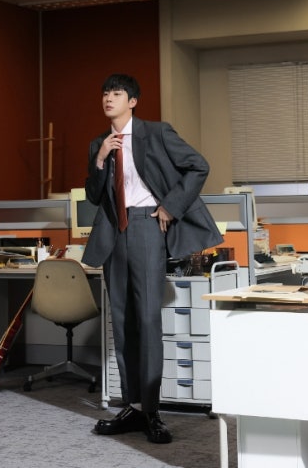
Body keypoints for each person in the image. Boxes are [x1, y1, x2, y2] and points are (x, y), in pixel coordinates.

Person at [82, 73, 223, 444]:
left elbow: (199, 165)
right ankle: (132, 405)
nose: (108, 98)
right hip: (114, 231)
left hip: (147, 226)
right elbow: (94, 195)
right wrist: (100, 158)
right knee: (122, 322)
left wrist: (171, 206)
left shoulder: (157, 133)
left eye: (116, 93)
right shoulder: (99, 142)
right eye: (105, 93)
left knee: (147, 321)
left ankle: (151, 410)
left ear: (132, 101)